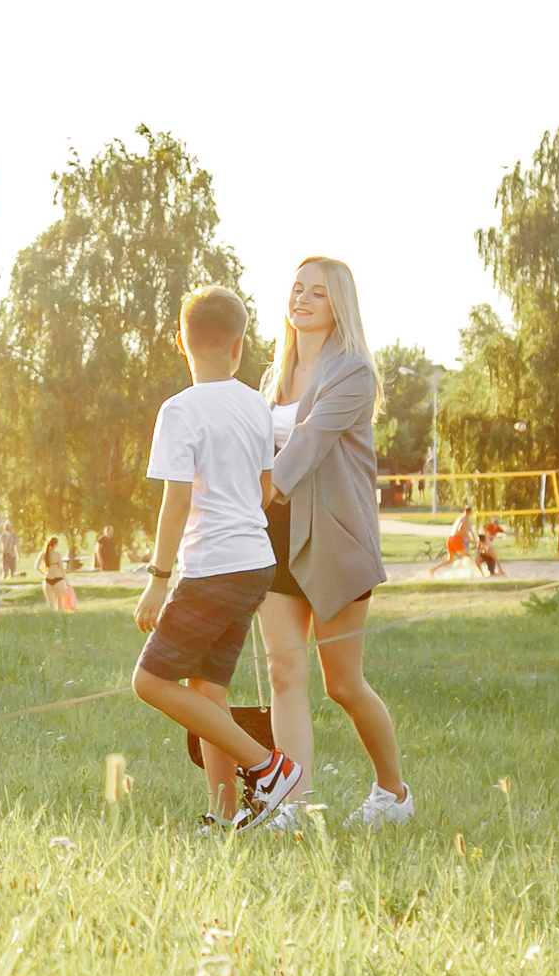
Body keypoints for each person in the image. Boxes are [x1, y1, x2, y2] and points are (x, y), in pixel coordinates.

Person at [132, 286, 303, 832]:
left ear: (181, 342)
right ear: (238, 347)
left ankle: (269, 768)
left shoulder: (179, 410)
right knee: (208, 690)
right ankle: (225, 814)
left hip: (213, 567)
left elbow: (176, 500)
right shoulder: (256, 405)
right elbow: (266, 491)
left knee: (151, 682)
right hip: (257, 561)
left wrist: (158, 580)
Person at [260, 256, 411, 826]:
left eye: (317, 293)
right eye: (297, 289)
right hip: (273, 532)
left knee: (342, 684)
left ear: (338, 305)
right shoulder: (270, 378)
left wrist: (257, 494)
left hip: (333, 539)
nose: (302, 299)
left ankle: (393, 795)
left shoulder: (353, 372)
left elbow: (308, 443)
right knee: (283, 673)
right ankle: (290, 806)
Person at [41, 533, 79, 613]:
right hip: (58, 580)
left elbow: (36, 567)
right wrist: (67, 582)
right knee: (60, 604)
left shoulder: (44, 554)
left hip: (47, 580)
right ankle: (60, 619)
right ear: (56, 545)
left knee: (51, 605)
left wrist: (44, 573)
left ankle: (52, 619)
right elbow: (62, 569)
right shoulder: (57, 554)